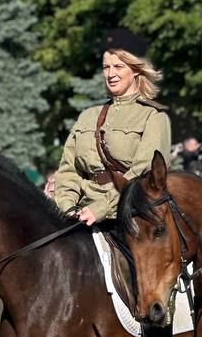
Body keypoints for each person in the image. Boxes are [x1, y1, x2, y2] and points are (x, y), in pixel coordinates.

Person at [53, 38, 172, 225]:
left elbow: (143, 172)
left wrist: (102, 208)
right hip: (81, 212)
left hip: (129, 216)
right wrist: (67, 207)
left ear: (135, 69)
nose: (110, 74)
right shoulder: (87, 116)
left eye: (118, 66)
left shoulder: (152, 116)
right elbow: (69, 169)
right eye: (106, 67)